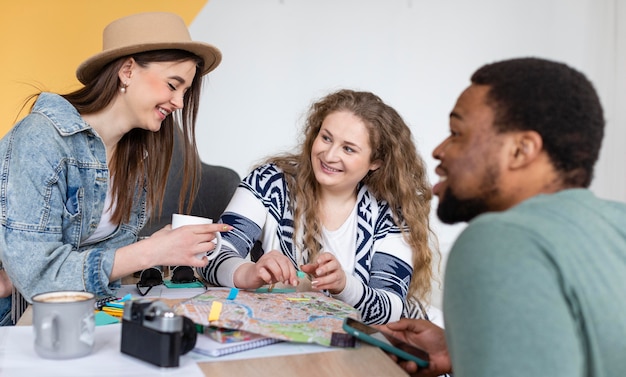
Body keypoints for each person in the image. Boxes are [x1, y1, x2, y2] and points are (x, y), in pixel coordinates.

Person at [378, 57, 626, 377]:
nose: (440, 150)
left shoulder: (498, 240)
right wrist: (467, 350)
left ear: (521, 150)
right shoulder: (617, 223)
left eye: (457, 133)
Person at [0, 12, 230, 324]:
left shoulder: (133, 152)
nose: (179, 102)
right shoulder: (41, 139)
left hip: (80, 319)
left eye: (185, 91)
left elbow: (99, 255)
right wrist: (150, 251)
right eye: (173, 85)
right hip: (17, 323)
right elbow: (38, 279)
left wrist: (156, 245)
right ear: (127, 71)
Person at [199, 89, 438, 324]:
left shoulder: (390, 214)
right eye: (326, 138)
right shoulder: (269, 183)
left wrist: (344, 285)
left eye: (348, 148)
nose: (329, 155)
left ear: (375, 162)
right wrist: (249, 273)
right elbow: (211, 257)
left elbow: (390, 310)